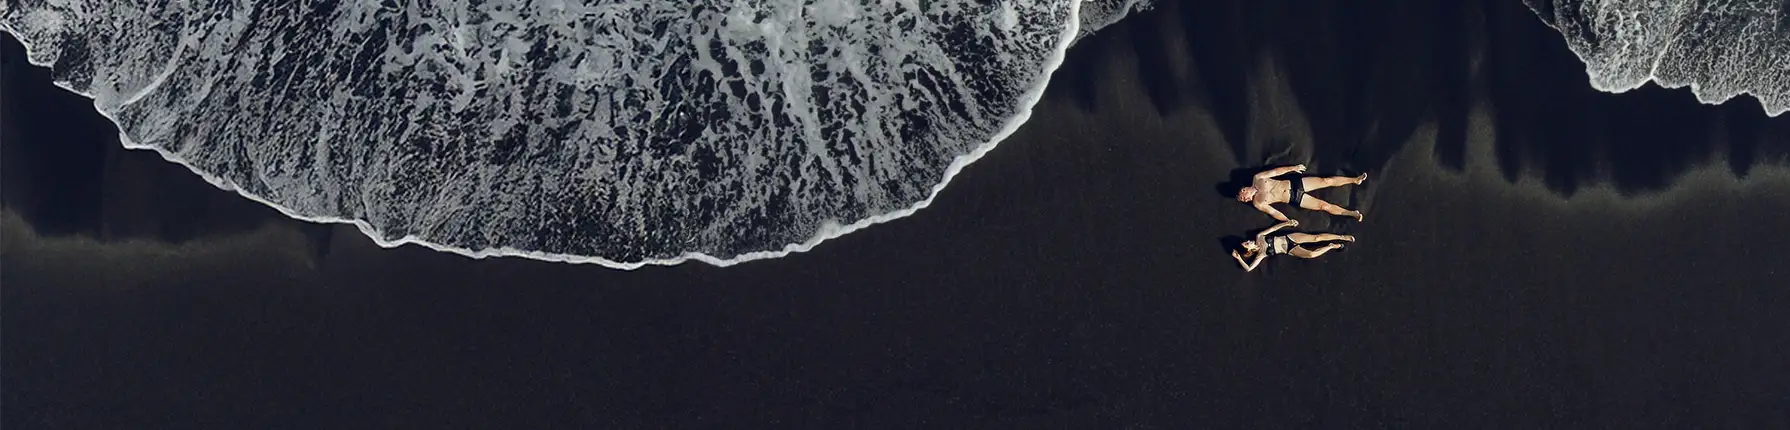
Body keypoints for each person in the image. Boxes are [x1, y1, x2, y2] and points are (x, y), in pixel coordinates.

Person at [1235, 164, 1366, 222]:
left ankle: (1355, 180)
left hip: (1295, 184)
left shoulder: (1257, 178)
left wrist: (1292, 168)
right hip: (1294, 198)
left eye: (1243, 198)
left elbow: (1275, 172)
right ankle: (1352, 213)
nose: (1246, 200)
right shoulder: (1257, 203)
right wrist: (1287, 221)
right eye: (1244, 201)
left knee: (1326, 181)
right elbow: (1273, 212)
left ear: (1244, 190)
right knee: (1324, 206)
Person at [1231, 220, 1355, 272]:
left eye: (1246, 241)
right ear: (1248, 250)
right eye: (1246, 244)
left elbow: (1273, 229)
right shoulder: (1261, 254)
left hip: (1289, 238)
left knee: (1316, 238)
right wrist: (1239, 258)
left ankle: (1342, 237)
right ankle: (1332, 246)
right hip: (1289, 249)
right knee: (1311, 254)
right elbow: (1249, 268)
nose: (1248, 241)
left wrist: (1287, 223)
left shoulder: (1259, 237)